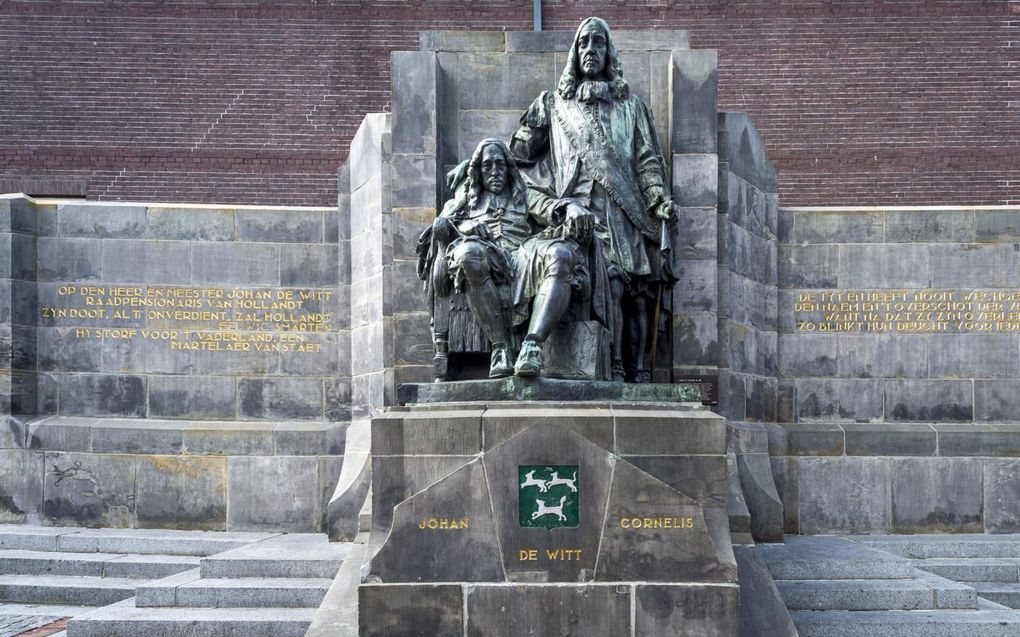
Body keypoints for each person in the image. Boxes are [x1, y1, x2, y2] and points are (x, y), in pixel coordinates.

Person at [510, 16, 678, 383]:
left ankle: (640, 375)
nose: (590, 50)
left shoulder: (631, 106)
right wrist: (527, 128)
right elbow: (518, 156)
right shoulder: (554, 105)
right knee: (610, 288)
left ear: (608, 52)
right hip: (580, 215)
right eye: (583, 43)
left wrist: (657, 198)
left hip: (624, 211)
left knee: (634, 293)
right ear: (575, 54)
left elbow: (647, 159)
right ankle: (613, 368)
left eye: (597, 43)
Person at [417, 138, 603, 379]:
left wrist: (570, 208)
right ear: (478, 171)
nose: (494, 172)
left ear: (508, 168)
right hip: (484, 254)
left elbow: (549, 206)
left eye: (500, 165)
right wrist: (467, 227)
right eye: (487, 166)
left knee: (561, 254)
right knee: (467, 254)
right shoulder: (464, 201)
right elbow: (442, 225)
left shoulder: (522, 195)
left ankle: (532, 346)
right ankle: (500, 349)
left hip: (522, 254)